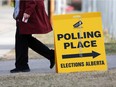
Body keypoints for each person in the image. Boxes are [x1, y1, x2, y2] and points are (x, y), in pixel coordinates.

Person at [10, 0, 55, 73]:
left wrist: (28, 11)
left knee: (22, 38)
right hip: (25, 10)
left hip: (27, 11)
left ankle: (22, 65)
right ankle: (50, 55)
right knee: (24, 38)